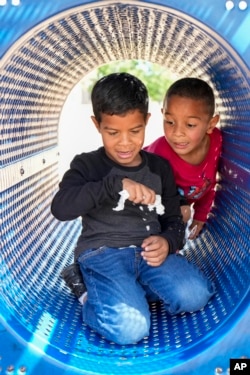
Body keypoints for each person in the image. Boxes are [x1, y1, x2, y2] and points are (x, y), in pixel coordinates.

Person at [51, 73, 215, 345]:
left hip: (149, 255)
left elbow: (174, 218)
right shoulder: (87, 165)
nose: (125, 143)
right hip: (103, 255)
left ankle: (126, 292)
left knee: (195, 295)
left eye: (135, 131)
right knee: (131, 330)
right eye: (113, 132)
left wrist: (168, 240)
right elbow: (61, 208)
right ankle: (87, 292)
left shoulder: (159, 167)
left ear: (147, 122)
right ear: (97, 124)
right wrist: (113, 185)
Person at [145, 77, 222, 239]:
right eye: (170, 122)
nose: (177, 133)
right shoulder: (158, 153)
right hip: (153, 204)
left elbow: (209, 184)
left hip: (181, 211)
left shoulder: (217, 142)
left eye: (190, 125)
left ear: (210, 124)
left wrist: (200, 216)